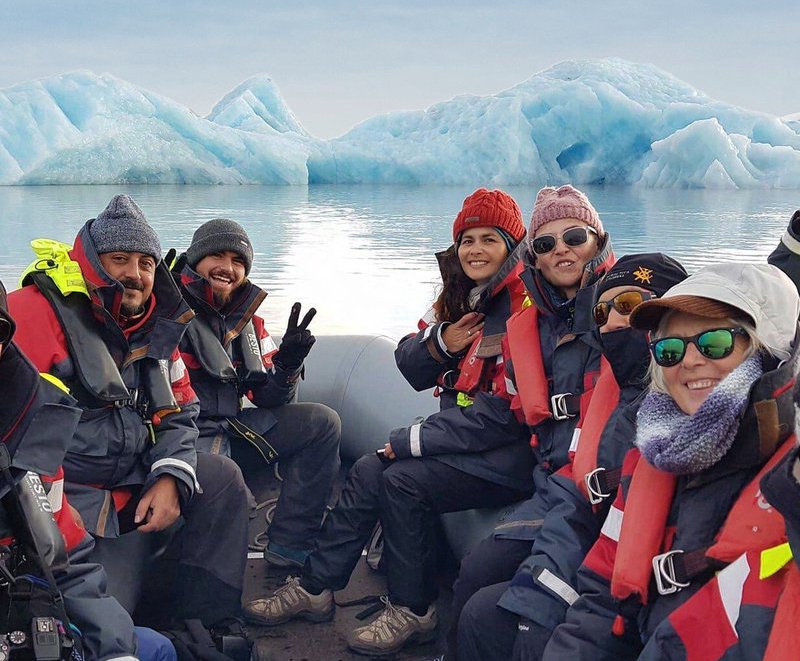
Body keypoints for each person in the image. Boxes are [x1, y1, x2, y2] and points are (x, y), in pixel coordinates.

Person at [244, 187, 535, 656]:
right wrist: (442, 342)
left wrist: (412, 440)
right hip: (466, 441)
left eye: (489, 239)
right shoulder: (460, 296)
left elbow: (504, 415)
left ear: (512, 245)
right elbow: (408, 359)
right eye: (467, 239)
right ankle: (316, 587)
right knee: (367, 469)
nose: (475, 250)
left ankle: (415, 609)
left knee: (401, 480)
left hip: (507, 453)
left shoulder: (524, 308)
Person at [7, 195, 249, 631]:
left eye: (146, 263)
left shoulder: (157, 326)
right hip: (71, 502)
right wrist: (49, 508)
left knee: (222, 478)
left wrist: (171, 474)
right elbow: (12, 434)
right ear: (92, 263)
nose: (134, 275)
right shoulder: (32, 315)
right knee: (103, 626)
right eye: (119, 259)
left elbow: (180, 411)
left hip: (133, 485)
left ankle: (208, 627)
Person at [543, 262, 800, 661]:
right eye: (670, 349)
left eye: (715, 342)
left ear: (767, 352)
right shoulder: (650, 455)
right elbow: (598, 597)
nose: (689, 361)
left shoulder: (791, 486)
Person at [456, 253, 688, 660]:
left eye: (631, 305)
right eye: (603, 309)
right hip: (594, 548)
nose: (615, 320)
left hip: (655, 589)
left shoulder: (691, 400)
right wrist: (543, 591)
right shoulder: (614, 396)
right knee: (482, 609)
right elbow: (578, 494)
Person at [443, 184, 615, 658]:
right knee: (478, 572)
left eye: (575, 235)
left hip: (598, 490)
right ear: (532, 257)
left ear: (598, 240)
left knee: (498, 608)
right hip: (553, 481)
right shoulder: (531, 325)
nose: (561, 249)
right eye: (545, 243)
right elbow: (511, 411)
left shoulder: (625, 313)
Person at [0, 280, 176, 660]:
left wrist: (116, 652)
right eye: (120, 260)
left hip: (27, 614)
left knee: (154, 648)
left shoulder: (28, 441)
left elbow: (68, 562)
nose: (134, 275)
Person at [172, 218, 340, 567]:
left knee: (323, 423)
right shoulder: (165, 310)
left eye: (238, 261)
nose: (227, 268)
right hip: (181, 439)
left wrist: (288, 365)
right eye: (216, 255)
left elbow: (269, 398)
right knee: (228, 491)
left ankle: (290, 548)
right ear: (196, 258)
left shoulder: (248, 320)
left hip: (230, 429)